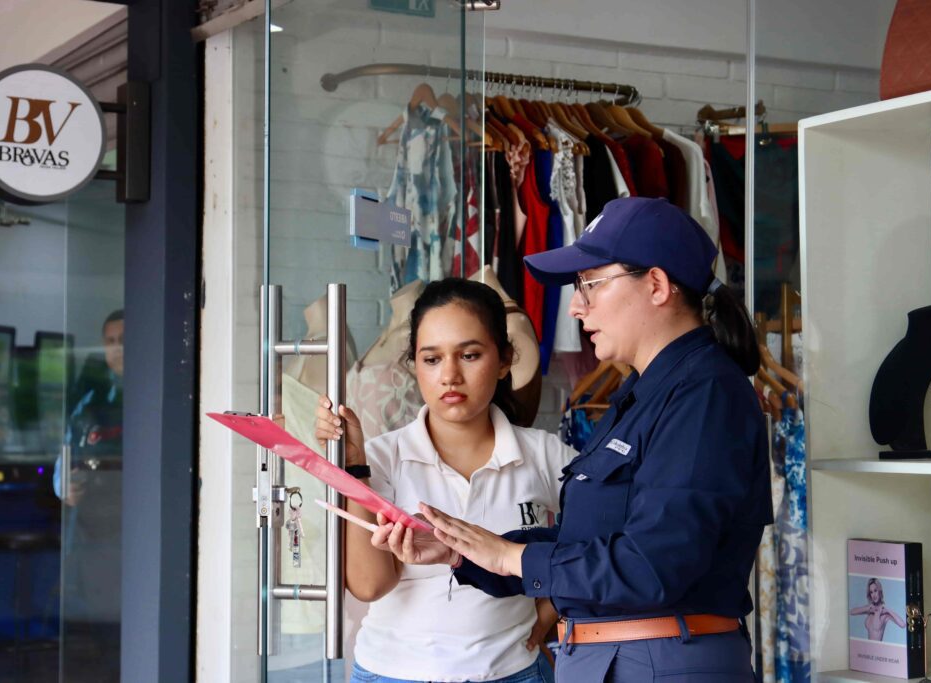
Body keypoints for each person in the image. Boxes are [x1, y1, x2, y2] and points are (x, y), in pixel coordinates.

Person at [387, 197, 773, 682]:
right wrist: (465, 550)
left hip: (660, 662)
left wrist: (513, 556)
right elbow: (593, 542)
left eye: (589, 284)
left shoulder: (704, 393)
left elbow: (654, 563)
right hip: (624, 659)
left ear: (656, 285)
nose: (575, 305)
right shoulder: (648, 391)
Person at [314, 279, 573, 683]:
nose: (450, 375)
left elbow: (608, 530)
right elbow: (368, 585)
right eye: (432, 359)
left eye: (469, 355)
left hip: (513, 671)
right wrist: (354, 468)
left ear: (505, 360)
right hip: (392, 672)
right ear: (414, 364)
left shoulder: (543, 454)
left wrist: (553, 603)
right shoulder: (380, 457)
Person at [52, 308, 124, 683]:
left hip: (133, 534)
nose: (117, 349)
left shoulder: (156, 394)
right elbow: (62, 461)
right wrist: (65, 487)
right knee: (98, 643)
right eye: (110, 342)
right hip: (91, 537)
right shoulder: (88, 397)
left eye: (124, 340)